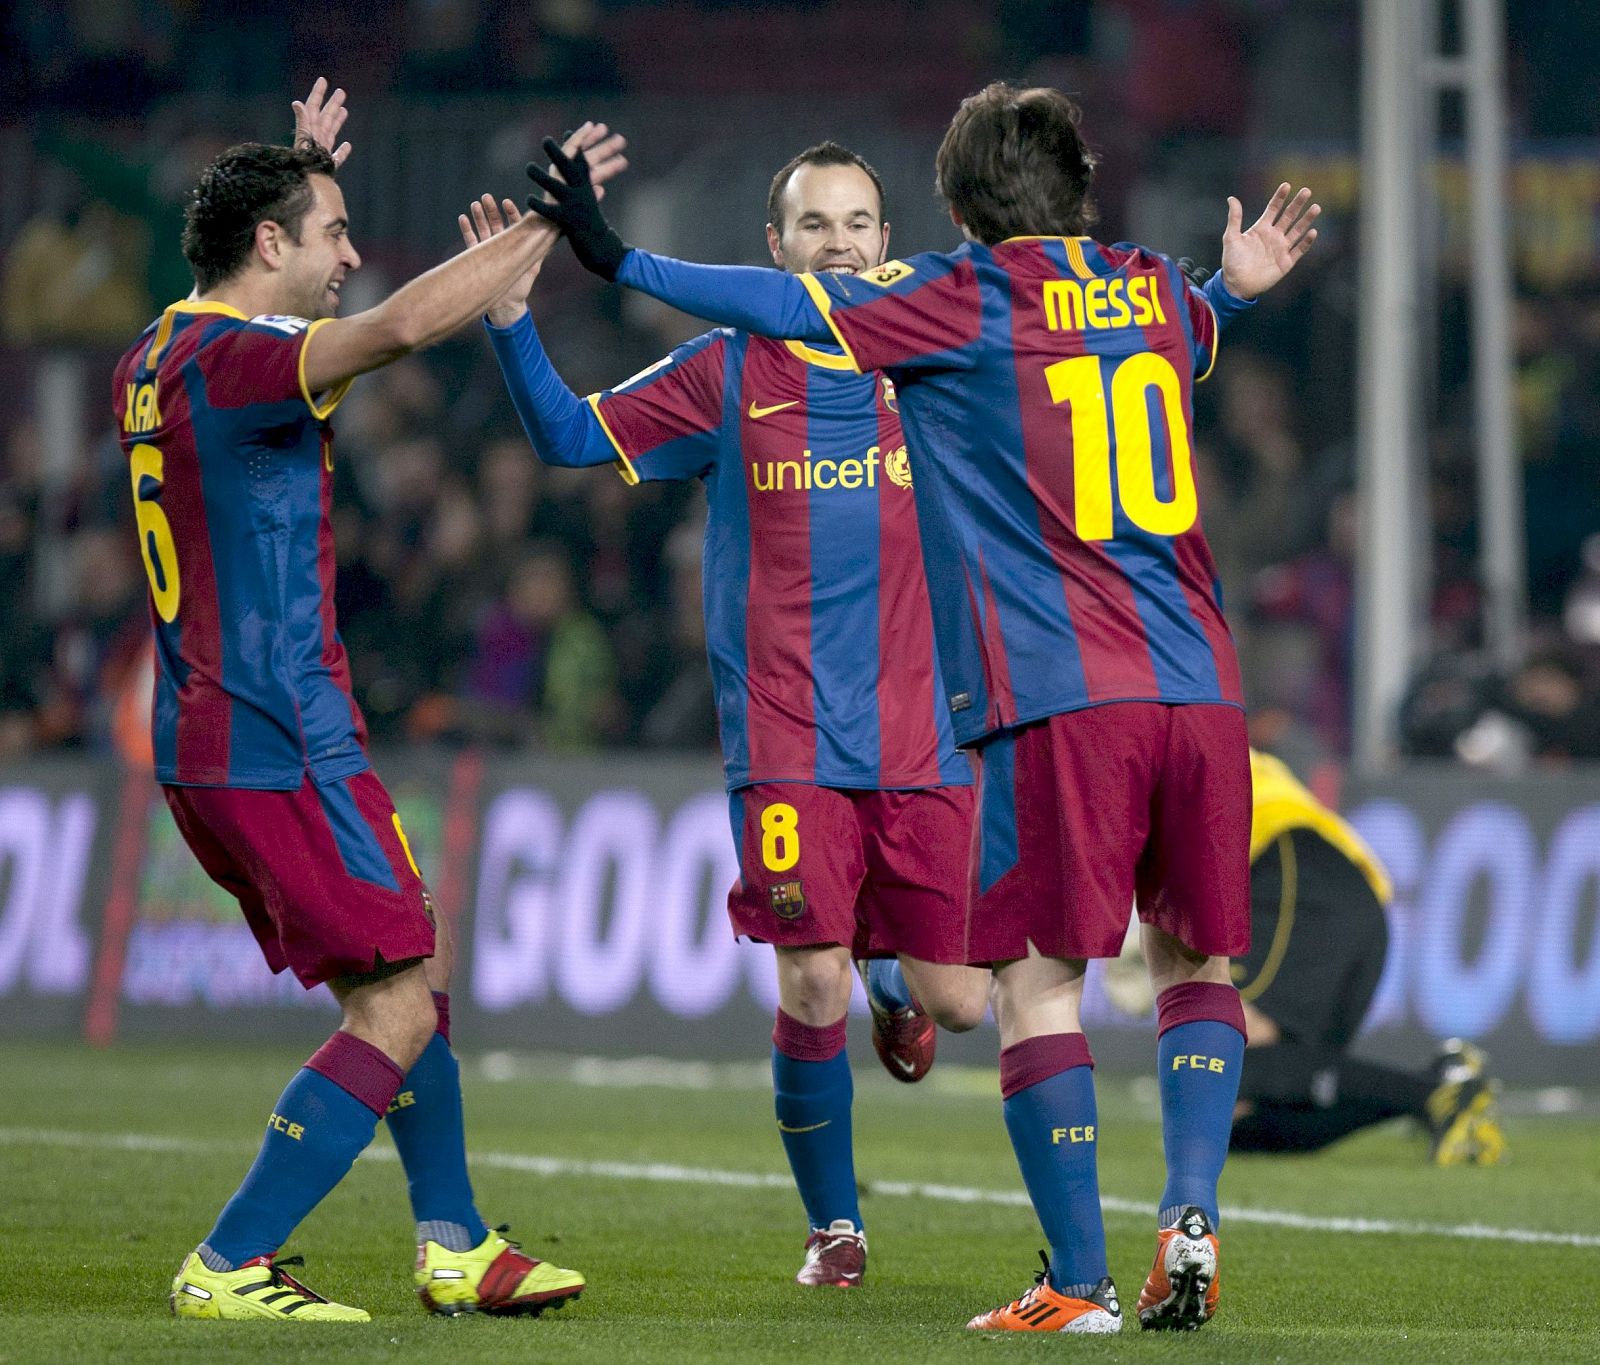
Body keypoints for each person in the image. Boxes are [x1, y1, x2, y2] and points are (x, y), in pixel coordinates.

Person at [524, 82, 1319, 1333]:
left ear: (944, 212)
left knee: (1033, 986)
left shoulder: (956, 300)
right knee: (1194, 959)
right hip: (1205, 681)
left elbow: (791, 307)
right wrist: (1232, 290)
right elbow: (1196, 338)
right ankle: (1190, 1213)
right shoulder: (1150, 287)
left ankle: (1076, 1283)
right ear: (1082, 189)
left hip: (1063, 691)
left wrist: (618, 256)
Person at [111, 79, 626, 1322]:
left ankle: (456, 1241)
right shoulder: (238, 357)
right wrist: (545, 230)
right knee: (395, 1001)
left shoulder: (159, 351)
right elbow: (396, 331)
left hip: (249, 729)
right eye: (330, 231)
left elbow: (326, 302)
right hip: (272, 732)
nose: (352, 254)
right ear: (269, 245)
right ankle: (230, 1262)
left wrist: (296, 168)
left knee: (408, 959)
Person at [461, 141, 991, 1288]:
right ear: (775, 248)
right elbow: (565, 437)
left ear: (887, 242)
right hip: (786, 735)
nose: (839, 242)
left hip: (926, 736)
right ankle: (835, 1229)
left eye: (857, 221)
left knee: (963, 1001)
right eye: (814, 225)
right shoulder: (723, 373)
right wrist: (510, 319)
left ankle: (892, 981)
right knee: (807, 977)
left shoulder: (935, 368)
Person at [1229, 749, 1506, 1163]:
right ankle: (1436, 1089)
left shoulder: (1166, 739)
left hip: (1300, 876)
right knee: (1247, 1123)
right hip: (1347, 899)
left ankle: (1435, 1093)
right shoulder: (1196, 730)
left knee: (1225, 1058)